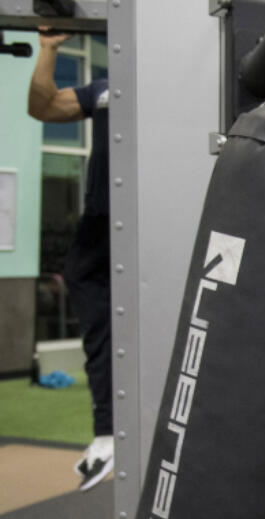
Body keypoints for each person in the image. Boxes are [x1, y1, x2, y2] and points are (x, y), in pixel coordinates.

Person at [28, 27, 113, 490]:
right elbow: (42, 106)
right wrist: (48, 50)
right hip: (103, 221)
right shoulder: (104, 89)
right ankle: (108, 433)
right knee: (100, 325)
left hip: (163, 215)